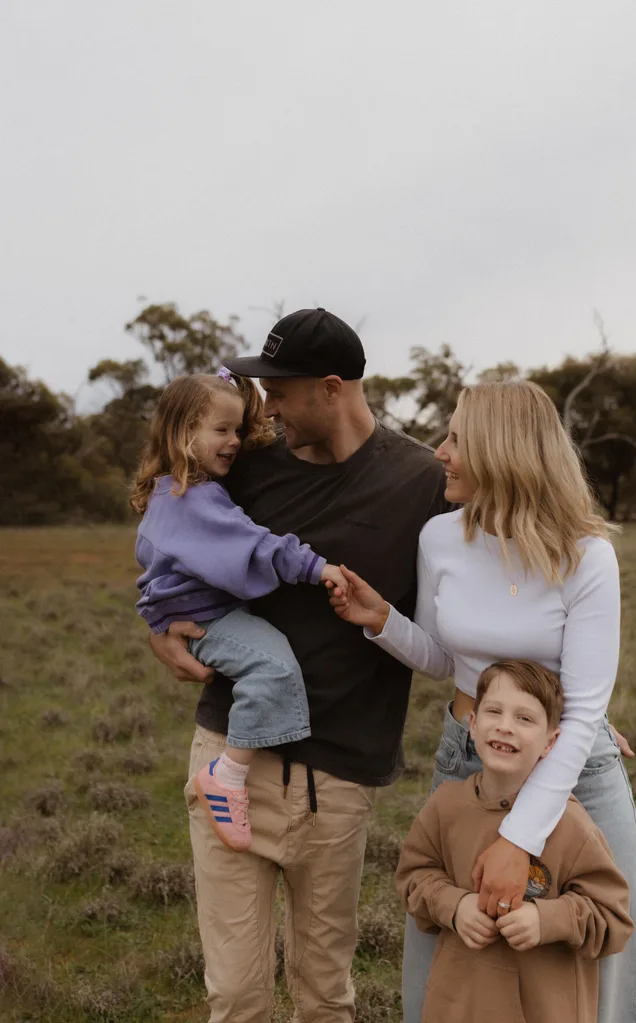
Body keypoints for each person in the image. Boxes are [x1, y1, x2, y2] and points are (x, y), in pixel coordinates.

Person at [146, 308, 448, 1022]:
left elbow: (481, 599)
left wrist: (578, 702)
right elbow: (170, 538)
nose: (266, 407)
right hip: (230, 760)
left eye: (279, 391)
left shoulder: (419, 483)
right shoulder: (244, 471)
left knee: (324, 996)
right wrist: (155, 623)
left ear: (333, 387)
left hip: (337, 780)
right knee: (239, 997)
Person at [330, 379, 636, 1023]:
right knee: (451, 955)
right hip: (467, 762)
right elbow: (450, 659)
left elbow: (585, 708)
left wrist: (518, 839)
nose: (440, 451)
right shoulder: (440, 538)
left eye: (456, 438)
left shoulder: (588, 556)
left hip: (572, 771)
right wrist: (382, 620)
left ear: (501, 451)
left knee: (592, 972)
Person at [131, 370, 347, 852]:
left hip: (194, 614)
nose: (233, 442)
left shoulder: (174, 489)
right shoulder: (196, 498)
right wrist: (315, 567)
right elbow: (252, 546)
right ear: (182, 434)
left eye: (237, 430)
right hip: (206, 617)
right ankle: (227, 776)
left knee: (270, 664)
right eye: (220, 431)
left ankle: (232, 771)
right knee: (272, 669)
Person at [396, 658, 633, 1023]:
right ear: (472, 726)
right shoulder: (445, 807)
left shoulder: (572, 826)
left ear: (551, 743)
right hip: (458, 1007)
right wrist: (455, 906)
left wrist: (546, 919)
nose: (505, 727)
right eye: (494, 712)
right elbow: (412, 877)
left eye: (525, 719)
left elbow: (613, 919)